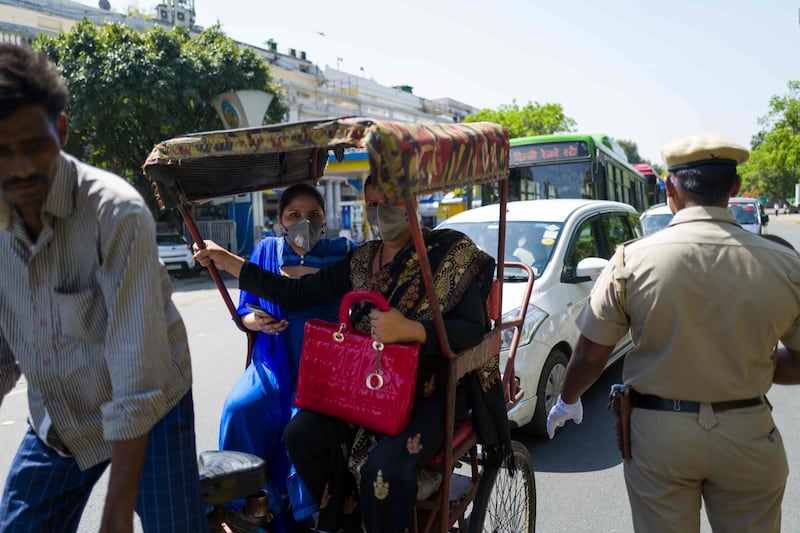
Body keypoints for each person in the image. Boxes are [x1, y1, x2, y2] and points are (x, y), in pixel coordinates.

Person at [194, 174, 510, 533]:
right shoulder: (362, 259)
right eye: (372, 205)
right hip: (364, 387)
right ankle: (342, 521)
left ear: (410, 203)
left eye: (388, 203)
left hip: (430, 391)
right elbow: (296, 294)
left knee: (382, 472)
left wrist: (410, 330)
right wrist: (229, 263)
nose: (380, 214)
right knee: (300, 433)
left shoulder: (452, 253)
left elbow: (471, 329)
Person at [546, 133, 800, 532]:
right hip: (748, 431)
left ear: (670, 187)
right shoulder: (784, 262)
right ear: (734, 187)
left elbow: (590, 355)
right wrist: (755, 365)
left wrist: (567, 399)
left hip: (659, 436)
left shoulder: (632, 259)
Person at [0, 44, 206, 532]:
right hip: (62, 416)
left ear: (62, 132)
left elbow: (137, 378)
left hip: (153, 406)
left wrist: (116, 516)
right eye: (2, 152)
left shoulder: (117, 213)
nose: (22, 169)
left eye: (34, 146)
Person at [219, 182, 355, 530]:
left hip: (324, 367)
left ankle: (307, 510)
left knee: (303, 428)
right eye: (294, 215)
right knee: (240, 407)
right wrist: (256, 321)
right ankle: (248, 501)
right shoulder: (264, 253)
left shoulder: (344, 253)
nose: (303, 222)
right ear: (280, 220)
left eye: (313, 215)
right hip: (272, 361)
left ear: (325, 219)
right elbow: (243, 312)